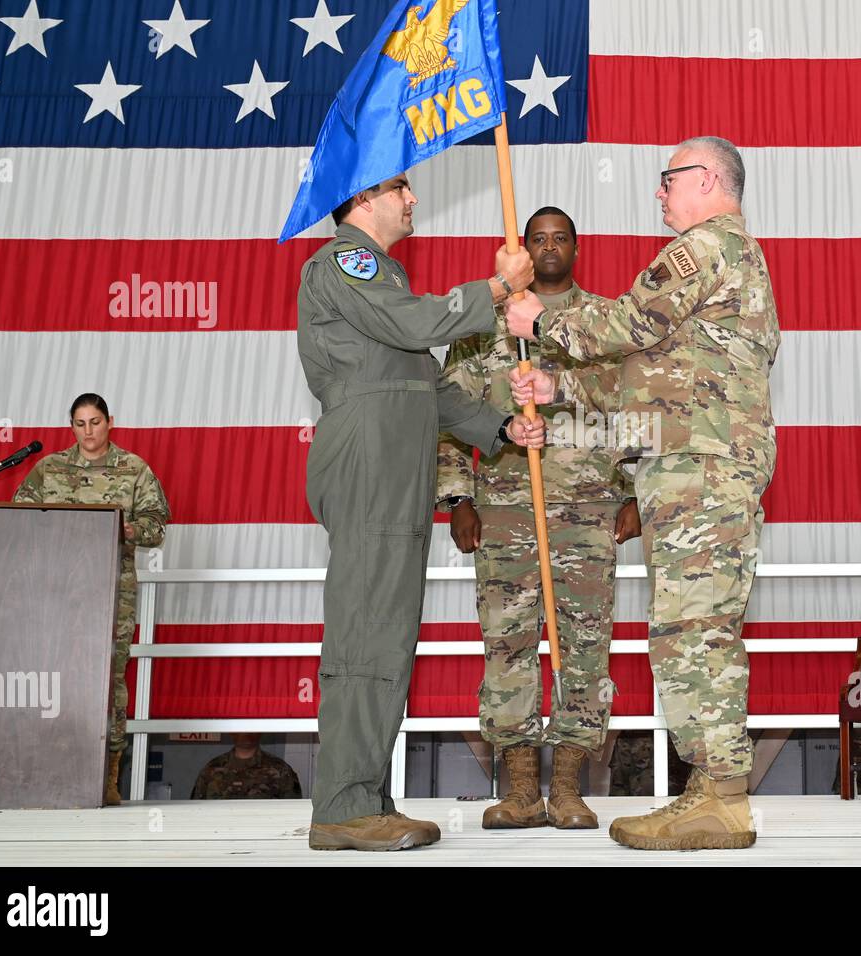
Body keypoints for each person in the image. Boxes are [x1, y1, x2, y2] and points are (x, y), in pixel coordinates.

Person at [506, 136, 779, 850]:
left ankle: (721, 797)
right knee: (691, 627)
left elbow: (629, 325)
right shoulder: (725, 257)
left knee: (695, 630)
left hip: (701, 470)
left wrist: (542, 319)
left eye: (669, 179)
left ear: (709, 180)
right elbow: (650, 376)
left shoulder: (704, 249)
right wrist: (558, 384)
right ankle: (707, 788)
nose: (660, 193)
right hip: (692, 463)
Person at [298, 173, 545, 852]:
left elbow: (427, 387)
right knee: (366, 626)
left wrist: (500, 428)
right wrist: (496, 288)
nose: (413, 201)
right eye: (401, 189)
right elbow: (414, 326)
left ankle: (366, 797)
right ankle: (344, 806)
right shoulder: (347, 261)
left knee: (385, 629)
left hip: (395, 461)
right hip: (370, 455)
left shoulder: (381, 274)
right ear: (362, 200)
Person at [436, 206, 640, 831]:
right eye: (538, 239)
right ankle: (522, 788)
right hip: (504, 510)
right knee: (509, 647)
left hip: (586, 509)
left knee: (586, 647)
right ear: (520, 249)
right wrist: (457, 497)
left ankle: (572, 789)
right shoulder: (482, 329)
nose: (549, 248)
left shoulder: (602, 324)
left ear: (577, 248)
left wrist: (633, 492)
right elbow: (446, 414)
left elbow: (633, 409)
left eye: (561, 239)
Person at [13, 393, 170, 806]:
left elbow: (156, 525)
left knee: (108, 680)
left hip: (111, 593)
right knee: (50, 677)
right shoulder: (49, 469)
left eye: (95, 422)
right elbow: (18, 516)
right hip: (54, 593)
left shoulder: (133, 469)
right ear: (71, 426)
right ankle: (49, 765)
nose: (88, 432)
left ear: (109, 422)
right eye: (80, 424)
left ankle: (107, 773)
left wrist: (124, 529)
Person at [190, 734, 302, 799]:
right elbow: (195, 811)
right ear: (231, 732)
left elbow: (293, 814)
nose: (245, 732)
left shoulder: (280, 770)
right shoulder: (212, 770)